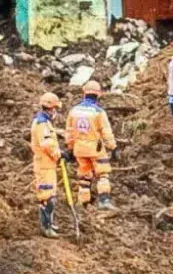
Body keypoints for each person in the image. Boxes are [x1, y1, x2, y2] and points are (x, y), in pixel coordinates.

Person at [65, 81, 117, 210]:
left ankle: (83, 202)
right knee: (103, 174)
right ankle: (104, 200)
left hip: (79, 149)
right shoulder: (98, 112)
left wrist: (70, 148)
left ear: (84, 94)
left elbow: (69, 132)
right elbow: (106, 131)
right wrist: (112, 147)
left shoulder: (73, 111)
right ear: (98, 95)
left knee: (84, 175)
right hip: (95, 148)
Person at [31, 92, 64, 238]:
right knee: (46, 196)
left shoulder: (44, 122)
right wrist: (59, 155)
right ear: (50, 108)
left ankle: (49, 222)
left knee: (51, 194)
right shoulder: (42, 123)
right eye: (55, 108)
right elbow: (47, 144)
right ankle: (46, 227)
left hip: (48, 164)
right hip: (44, 165)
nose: (55, 111)